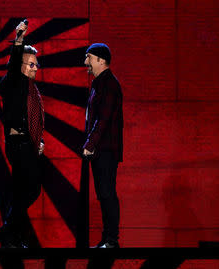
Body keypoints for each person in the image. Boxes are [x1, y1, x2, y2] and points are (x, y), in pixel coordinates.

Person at [0, 20, 45, 248]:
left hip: (27, 143)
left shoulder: (31, 88)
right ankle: (8, 230)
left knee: (21, 192)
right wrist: (19, 39)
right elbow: (13, 66)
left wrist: (39, 139)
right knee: (31, 188)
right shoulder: (12, 82)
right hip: (18, 143)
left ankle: (12, 236)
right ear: (21, 66)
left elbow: (35, 118)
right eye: (31, 65)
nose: (36, 68)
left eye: (36, 64)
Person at [82, 43, 123, 248]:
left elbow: (103, 119)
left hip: (105, 149)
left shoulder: (109, 85)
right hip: (100, 149)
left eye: (88, 58)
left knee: (107, 192)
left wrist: (90, 143)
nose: (85, 62)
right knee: (103, 193)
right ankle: (107, 239)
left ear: (100, 59)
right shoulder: (99, 84)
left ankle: (111, 240)